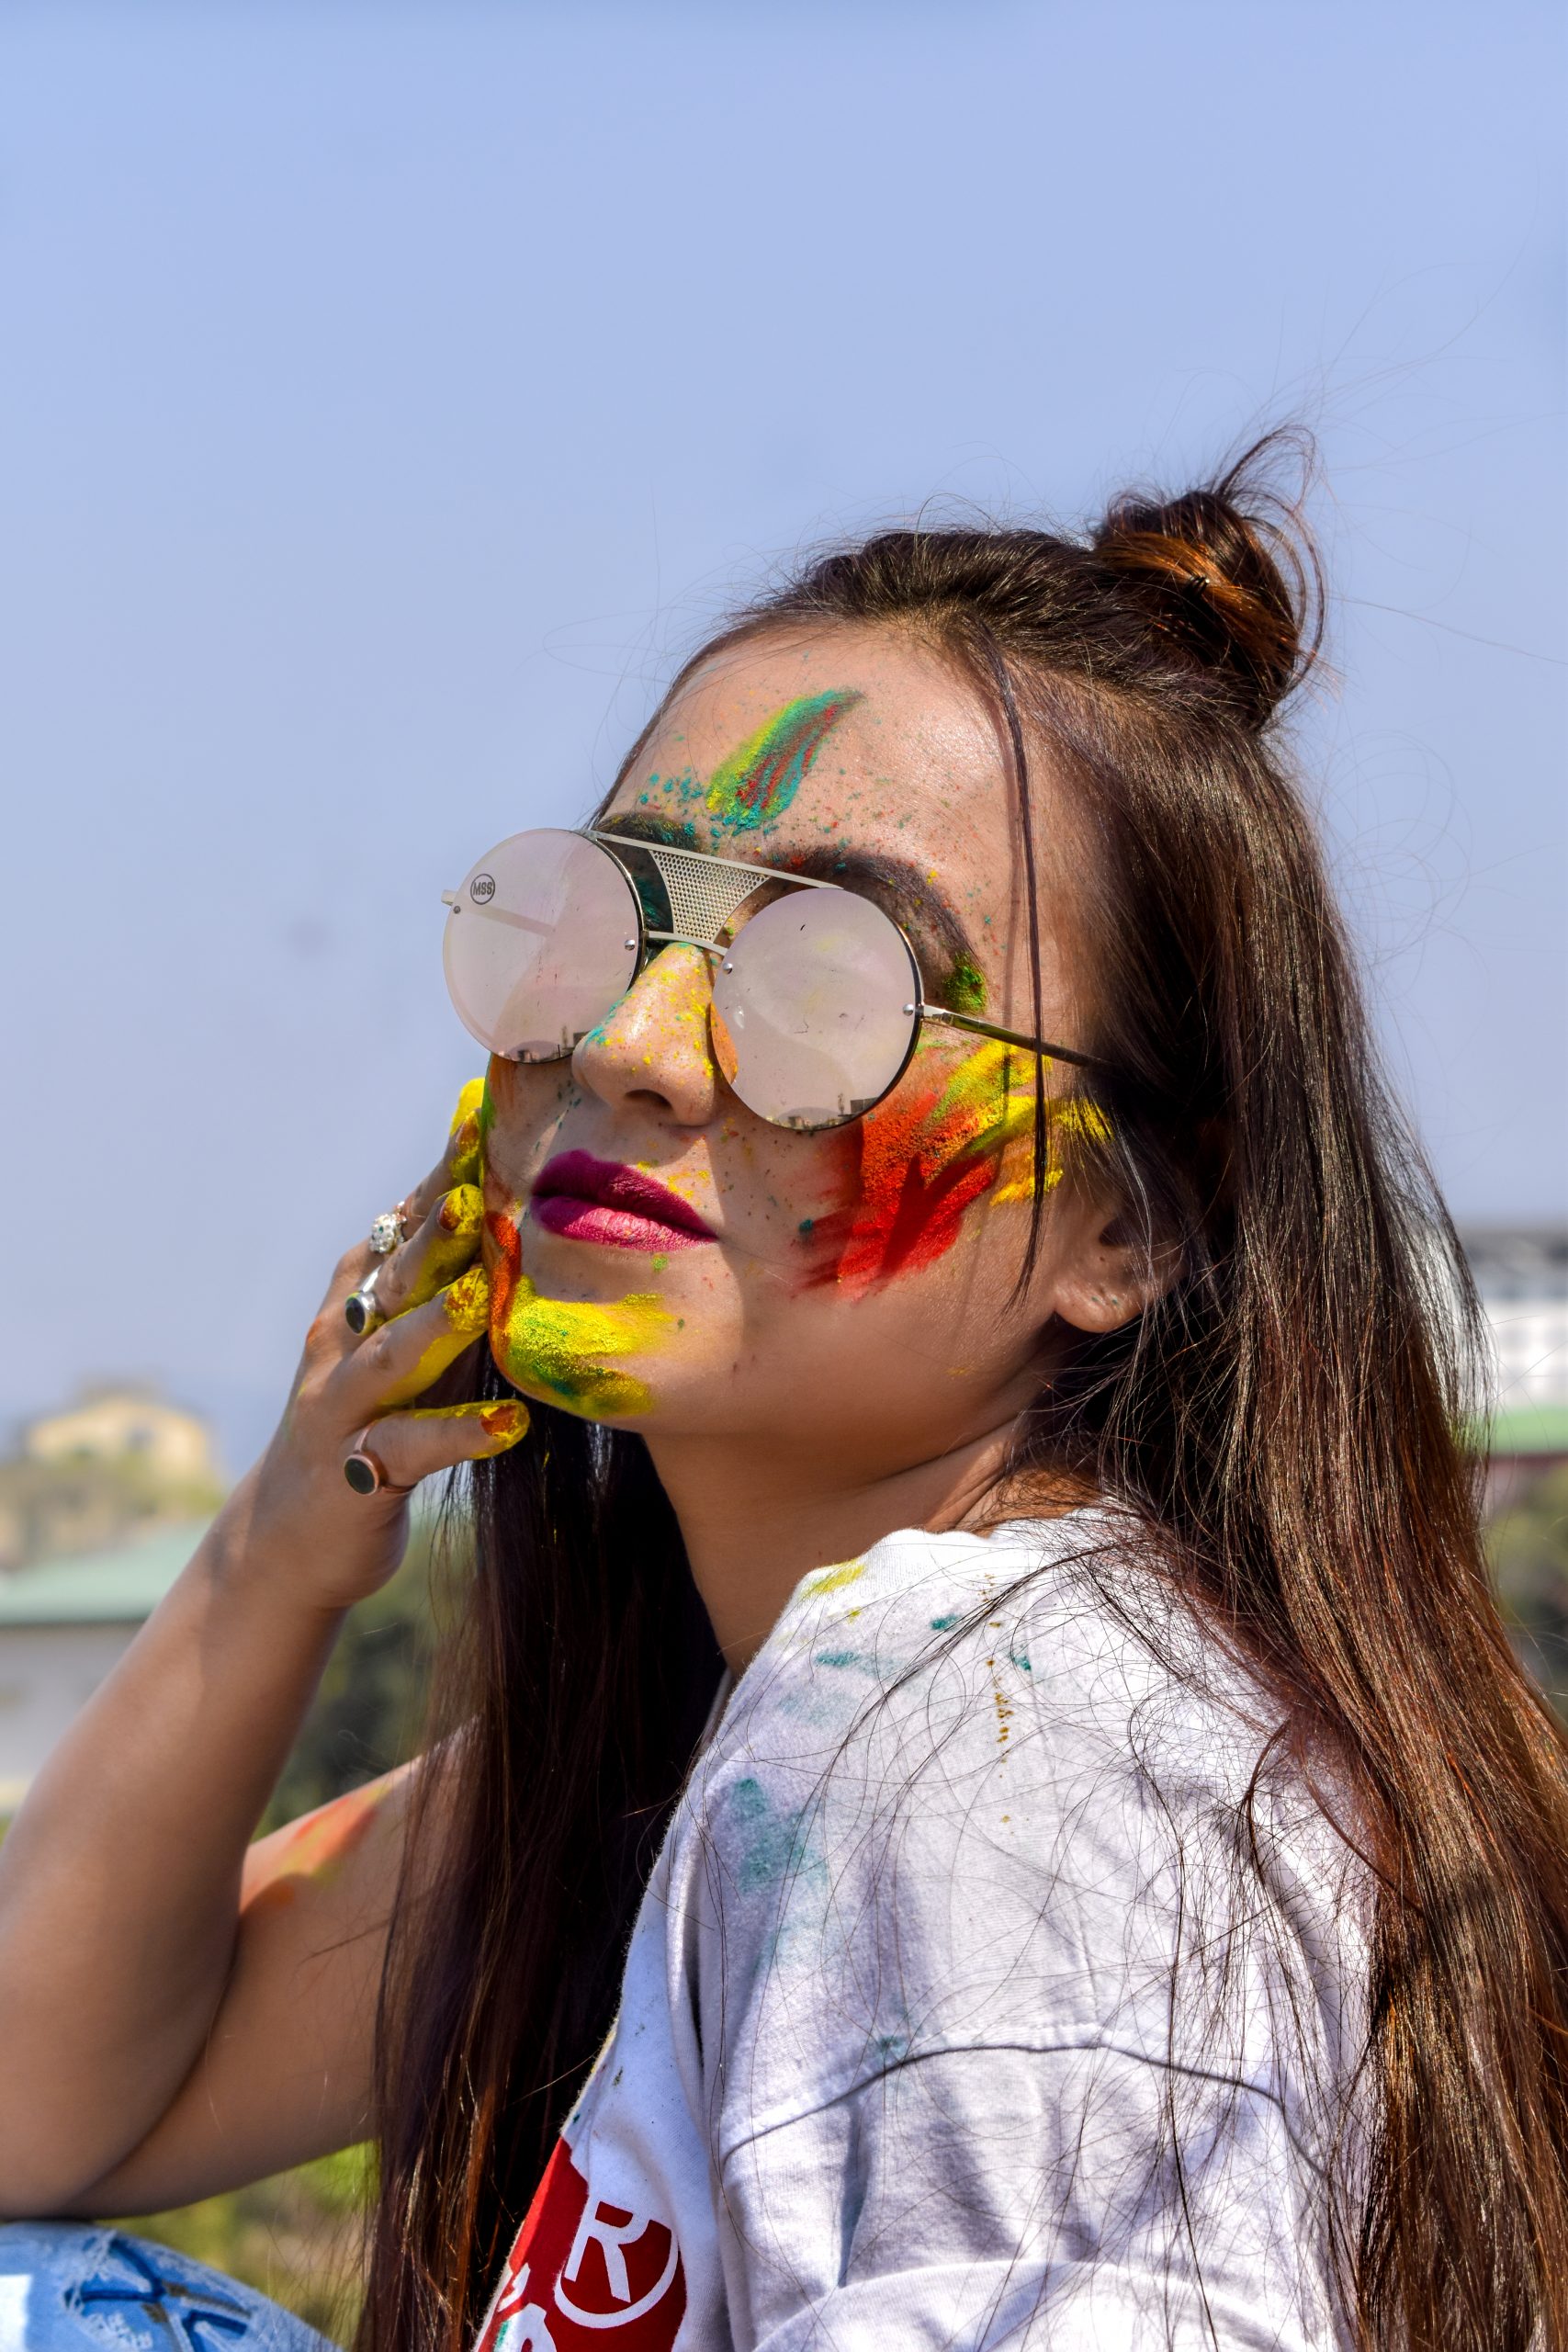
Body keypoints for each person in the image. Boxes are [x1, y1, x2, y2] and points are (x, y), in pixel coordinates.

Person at [2, 438, 1565, 2352]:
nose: (630, 1046)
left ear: (1126, 1224)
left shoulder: (1004, 1762)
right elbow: (40, 2107)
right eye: (596, 920)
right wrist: (279, 1539)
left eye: (829, 986)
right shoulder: (742, 1741)